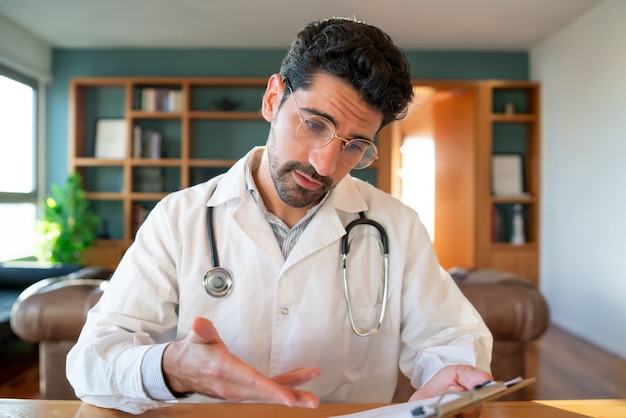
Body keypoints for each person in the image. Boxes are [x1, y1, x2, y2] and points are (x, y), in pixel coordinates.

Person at [67, 17, 493, 414]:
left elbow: (450, 337)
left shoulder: (396, 226)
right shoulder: (178, 218)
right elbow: (92, 359)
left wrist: (450, 377)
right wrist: (172, 366)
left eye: (354, 145)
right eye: (314, 124)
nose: (325, 164)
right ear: (274, 98)